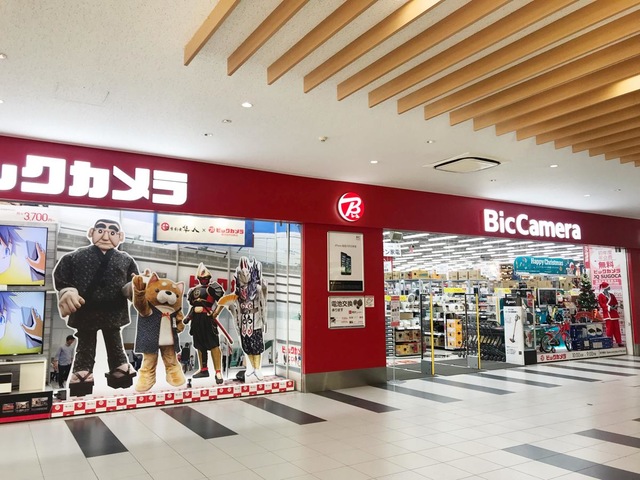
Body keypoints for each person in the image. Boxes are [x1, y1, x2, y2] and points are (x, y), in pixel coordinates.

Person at [53, 219, 139, 396]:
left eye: (112, 233)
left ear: (120, 237)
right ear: (91, 232)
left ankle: (119, 368)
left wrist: (134, 288)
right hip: (86, 309)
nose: (106, 237)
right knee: (86, 341)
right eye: (101, 231)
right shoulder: (74, 257)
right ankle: (83, 371)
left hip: (113, 309)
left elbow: (133, 281)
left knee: (114, 340)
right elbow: (62, 276)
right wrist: (67, 290)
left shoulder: (126, 260)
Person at [183, 263, 225, 384]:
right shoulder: (193, 291)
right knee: (199, 345)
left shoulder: (213, 288)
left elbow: (222, 302)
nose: (203, 280)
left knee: (214, 345)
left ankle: (218, 371)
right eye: (201, 278)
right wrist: (188, 318)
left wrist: (215, 313)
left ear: (209, 278)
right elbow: (193, 307)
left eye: (205, 278)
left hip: (208, 319)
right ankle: (203, 369)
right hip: (196, 320)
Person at [598, 282, 623, 347]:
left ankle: (619, 341)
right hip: (607, 314)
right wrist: (609, 307)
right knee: (609, 329)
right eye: (608, 286)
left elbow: (616, 302)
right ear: (605, 288)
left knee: (617, 329)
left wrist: (615, 306)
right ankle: (609, 342)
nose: (609, 287)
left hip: (614, 314)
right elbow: (601, 304)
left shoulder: (612, 295)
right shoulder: (600, 296)